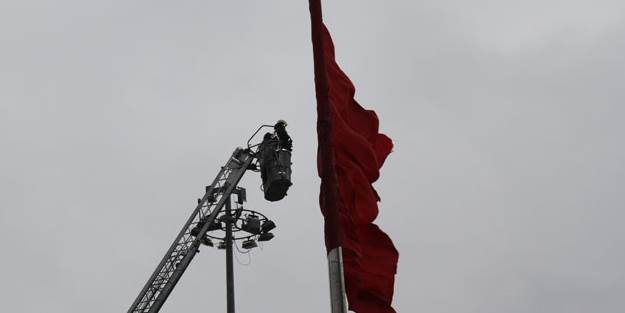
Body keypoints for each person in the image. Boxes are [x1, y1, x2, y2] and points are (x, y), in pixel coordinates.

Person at [258, 120, 293, 201]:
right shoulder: (270, 145)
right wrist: (279, 128)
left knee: (269, 169)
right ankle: (279, 176)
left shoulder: (263, 148)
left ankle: (276, 178)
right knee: (278, 163)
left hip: (272, 170)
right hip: (276, 170)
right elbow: (284, 140)